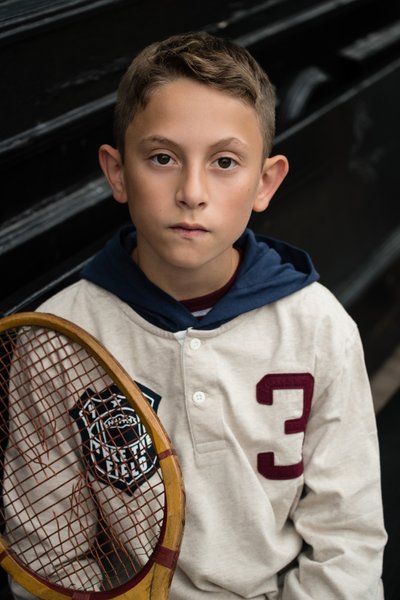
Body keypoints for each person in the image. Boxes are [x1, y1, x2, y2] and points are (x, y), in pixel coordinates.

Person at [7, 31, 386, 599]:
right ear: (116, 172)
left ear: (265, 182)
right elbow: (48, 549)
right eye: (162, 158)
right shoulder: (58, 338)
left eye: (224, 162)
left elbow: (347, 535)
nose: (191, 191)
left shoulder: (319, 327)